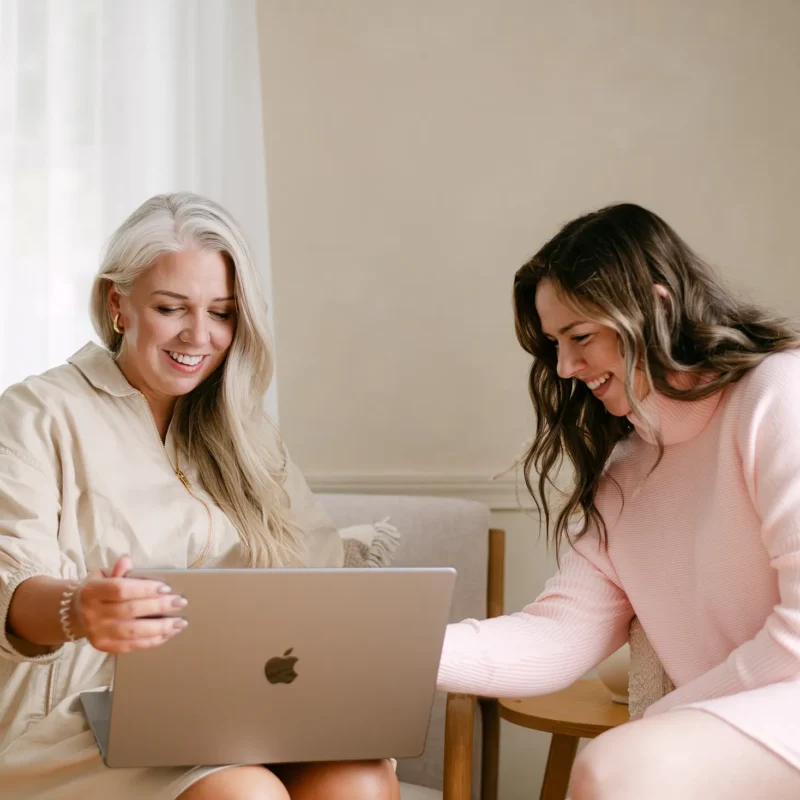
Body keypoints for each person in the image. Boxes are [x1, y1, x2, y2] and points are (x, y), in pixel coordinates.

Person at [0, 192, 399, 799]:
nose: (199, 335)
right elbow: (11, 590)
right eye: (171, 307)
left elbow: (317, 572)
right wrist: (80, 608)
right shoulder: (36, 414)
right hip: (72, 723)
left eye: (221, 312)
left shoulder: (249, 433)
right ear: (117, 304)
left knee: (359, 778)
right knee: (245, 793)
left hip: (230, 708)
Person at [437, 203, 800, 799]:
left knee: (618, 768)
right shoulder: (626, 472)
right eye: (555, 343)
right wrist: (389, 647)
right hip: (736, 727)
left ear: (655, 306)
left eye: (580, 337)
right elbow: (553, 641)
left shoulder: (775, 395)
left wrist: (664, 719)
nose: (565, 366)